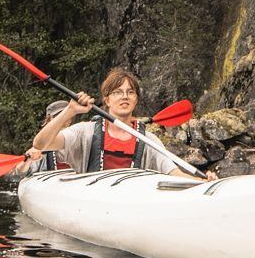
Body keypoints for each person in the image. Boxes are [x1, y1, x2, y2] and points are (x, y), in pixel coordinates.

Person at [16, 67, 209, 179]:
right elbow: (40, 144)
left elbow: (174, 172)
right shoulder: (85, 133)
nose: (124, 97)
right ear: (107, 100)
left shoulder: (148, 139)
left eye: (130, 92)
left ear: (136, 100)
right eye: (117, 92)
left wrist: (203, 183)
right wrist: (70, 110)